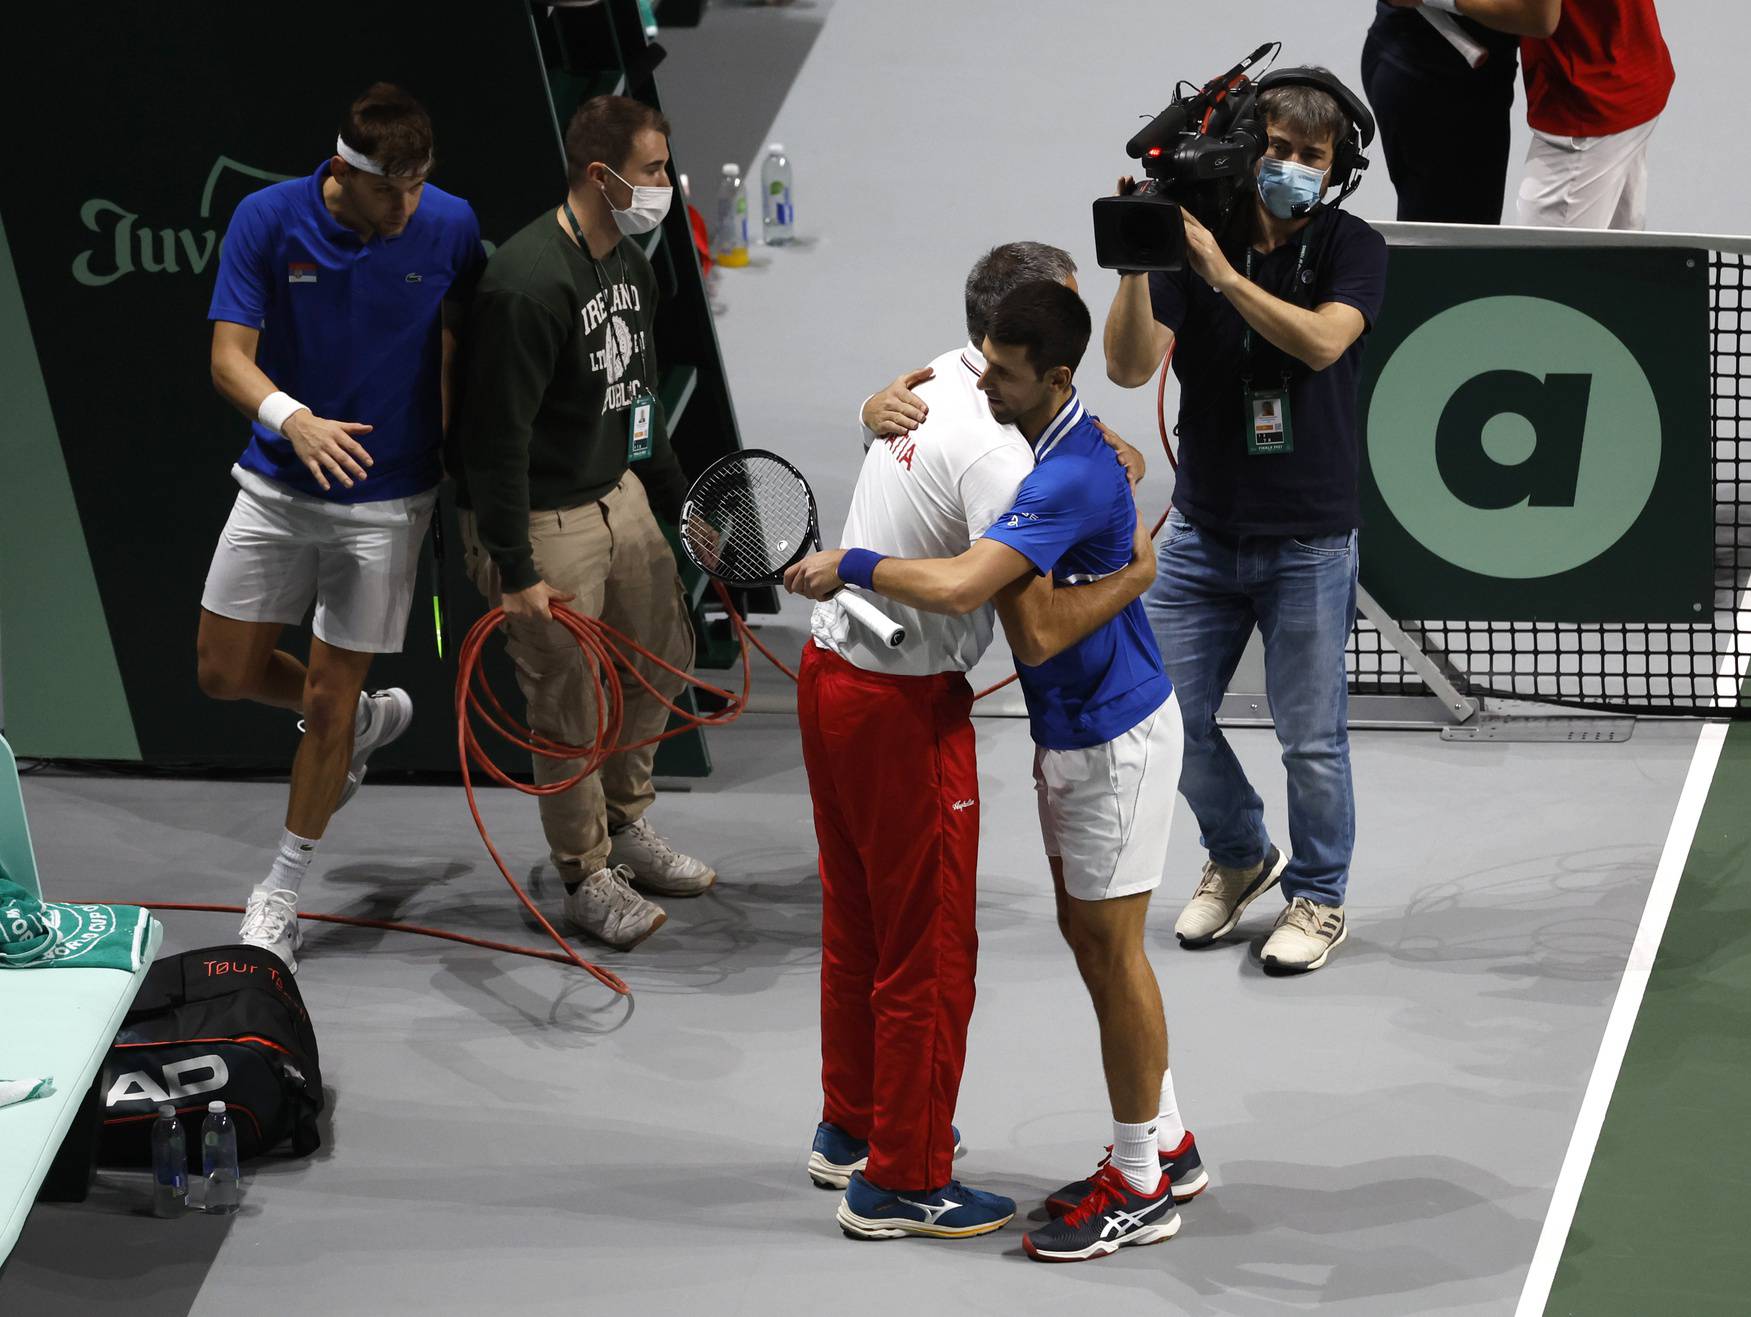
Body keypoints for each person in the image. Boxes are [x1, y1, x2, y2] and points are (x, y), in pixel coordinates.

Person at [787, 281, 1201, 1263]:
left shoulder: (967, 406)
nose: (985, 375)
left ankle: (1139, 1166)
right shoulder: (1001, 429)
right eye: (988, 356)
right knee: (946, 946)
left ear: (1048, 372)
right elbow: (1025, 594)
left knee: (1084, 947)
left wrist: (849, 562)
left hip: (865, 682)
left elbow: (1015, 607)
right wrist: (1132, 562)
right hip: (921, 710)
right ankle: (906, 1176)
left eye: (1004, 368)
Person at [1103, 69, 1387, 976]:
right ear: (1250, 147)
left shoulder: (1353, 245)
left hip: (1308, 539)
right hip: (1202, 532)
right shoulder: (1197, 240)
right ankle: (1238, 853)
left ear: (1336, 168)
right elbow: (1127, 366)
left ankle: (1319, 894)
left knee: (1311, 738)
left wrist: (1220, 275)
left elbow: (1321, 341)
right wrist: (1140, 264)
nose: (1292, 166)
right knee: (1162, 719)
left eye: (1312, 155)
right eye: (1278, 149)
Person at [197, 84, 486, 970]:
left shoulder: (450, 225)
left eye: (418, 186)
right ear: (341, 172)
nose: (408, 207)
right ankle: (361, 720)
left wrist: (460, 472)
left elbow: (463, 347)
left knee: (321, 700)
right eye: (388, 190)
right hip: (279, 481)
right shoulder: (266, 218)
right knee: (224, 673)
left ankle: (281, 888)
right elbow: (227, 359)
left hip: (390, 499)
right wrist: (294, 418)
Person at [449, 94, 708, 952]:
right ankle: (585, 873)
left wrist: (683, 508)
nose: (666, 185)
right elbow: (493, 444)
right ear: (601, 177)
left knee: (662, 655)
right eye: (653, 171)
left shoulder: (629, 265)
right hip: (540, 515)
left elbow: (638, 404)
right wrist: (516, 569)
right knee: (568, 704)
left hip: (619, 492)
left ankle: (628, 825)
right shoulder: (528, 286)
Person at [1415, 0, 1671, 229]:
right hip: (1632, 62)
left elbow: (1539, 17)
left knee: (1544, 276)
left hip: (1587, 105)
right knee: (1617, 265)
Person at [1366, 0, 1522, 223]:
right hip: (1438, 88)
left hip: (1422, 68)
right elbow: (1538, 17)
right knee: (1452, 244)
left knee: (1445, 236)